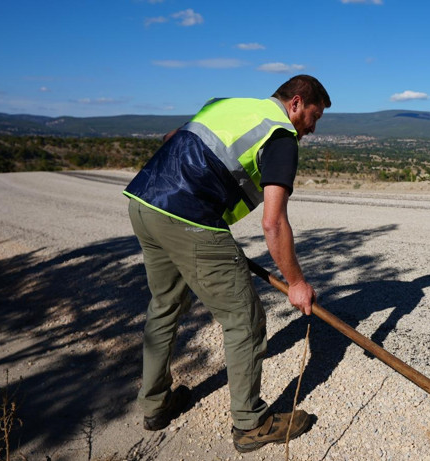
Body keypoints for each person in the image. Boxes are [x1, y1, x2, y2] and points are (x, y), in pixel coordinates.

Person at [123, 75, 331, 453]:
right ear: (296, 103)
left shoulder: (226, 105)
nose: (312, 129)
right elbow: (274, 222)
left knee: (165, 305)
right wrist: (297, 283)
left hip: (144, 200)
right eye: (313, 117)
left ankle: (155, 406)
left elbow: (172, 137)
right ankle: (250, 423)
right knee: (245, 320)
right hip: (189, 216)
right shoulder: (281, 135)